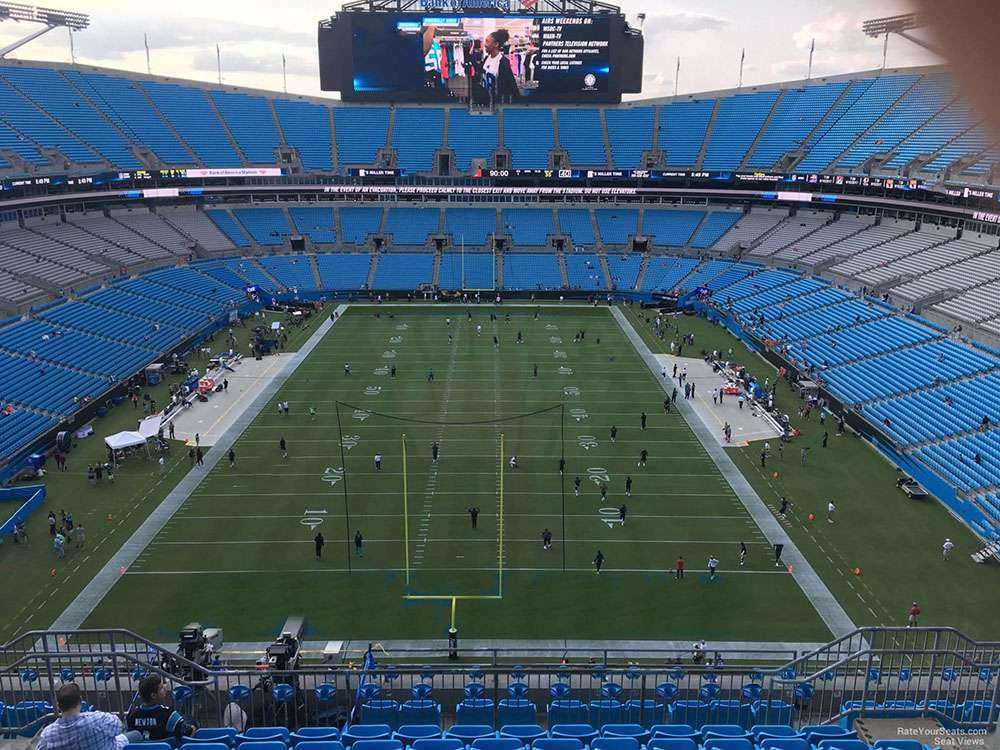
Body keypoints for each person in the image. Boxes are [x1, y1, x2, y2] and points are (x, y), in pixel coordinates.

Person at [39, 683, 140, 749]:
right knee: (136, 734)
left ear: (58, 705)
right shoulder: (97, 719)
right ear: (80, 700)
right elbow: (119, 727)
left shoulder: (47, 735)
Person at [126, 674, 197, 742]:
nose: (165, 688)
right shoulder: (168, 714)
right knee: (188, 718)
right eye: (161, 688)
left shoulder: (131, 715)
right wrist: (191, 725)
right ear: (153, 695)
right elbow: (188, 732)